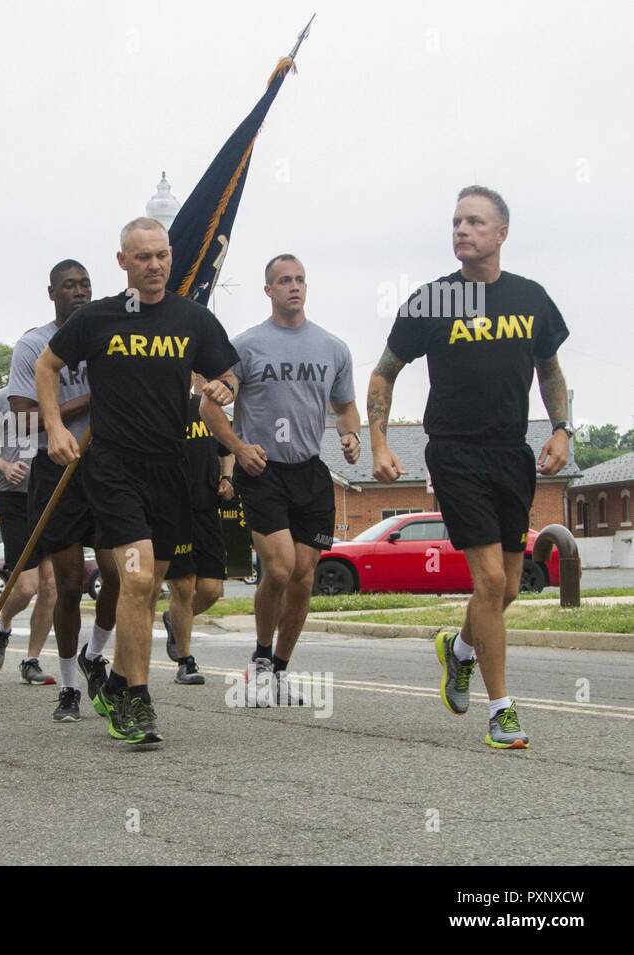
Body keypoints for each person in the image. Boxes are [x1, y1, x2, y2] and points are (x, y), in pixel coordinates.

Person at [369, 185, 571, 750]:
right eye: (457, 221)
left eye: (475, 222)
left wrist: (562, 428)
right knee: (487, 580)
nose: (462, 230)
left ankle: (458, 650)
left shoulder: (531, 299)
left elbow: (550, 371)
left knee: (505, 588)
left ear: (501, 233)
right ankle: (501, 711)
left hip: (512, 453)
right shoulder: (430, 301)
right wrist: (380, 441)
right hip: (454, 451)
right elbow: (385, 371)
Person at [40, 217, 239, 745]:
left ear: (171, 258)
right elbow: (47, 365)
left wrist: (222, 387)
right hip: (113, 467)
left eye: (162, 256)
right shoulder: (98, 317)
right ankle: (139, 701)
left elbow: (228, 371)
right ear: (123, 261)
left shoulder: (192, 319)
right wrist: (56, 425)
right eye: (143, 257)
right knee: (139, 578)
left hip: (170, 470)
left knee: (149, 587)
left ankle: (119, 683)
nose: (155, 266)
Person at [202, 254, 361, 704]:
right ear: (268, 290)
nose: (294, 287)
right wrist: (238, 448)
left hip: (310, 471)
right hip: (263, 468)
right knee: (279, 566)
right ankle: (259, 656)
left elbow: (345, 406)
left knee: (304, 578)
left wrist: (351, 436)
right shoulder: (247, 346)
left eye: (300, 280)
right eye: (284, 281)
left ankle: (279, 670)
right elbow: (211, 406)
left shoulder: (332, 348)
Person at [7, 260, 122, 721]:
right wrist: (89, 400)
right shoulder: (34, 345)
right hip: (56, 467)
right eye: (69, 286)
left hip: (107, 466)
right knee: (70, 584)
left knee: (118, 575)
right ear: (52, 293)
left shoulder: (106, 337)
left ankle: (96, 654)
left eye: (86, 285)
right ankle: (70, 686)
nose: (79, 292)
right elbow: (21, 416)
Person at [0, 387, 57, 685]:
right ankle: (3, 626)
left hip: (53, 494)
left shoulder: (61, 391)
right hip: (16, 497)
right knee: (25, 586)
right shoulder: (3, 398)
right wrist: (4, 466)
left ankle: (31, 660)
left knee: (51, 585)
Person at [161, 378, 237, 684]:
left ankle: (174, 620)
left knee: (211, 590)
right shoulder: (163, 411)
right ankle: (186, 661)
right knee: (183, 586)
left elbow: (228, 447)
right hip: (174, 510)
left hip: (207, 509)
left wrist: (228, 477)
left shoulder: (210, 413)